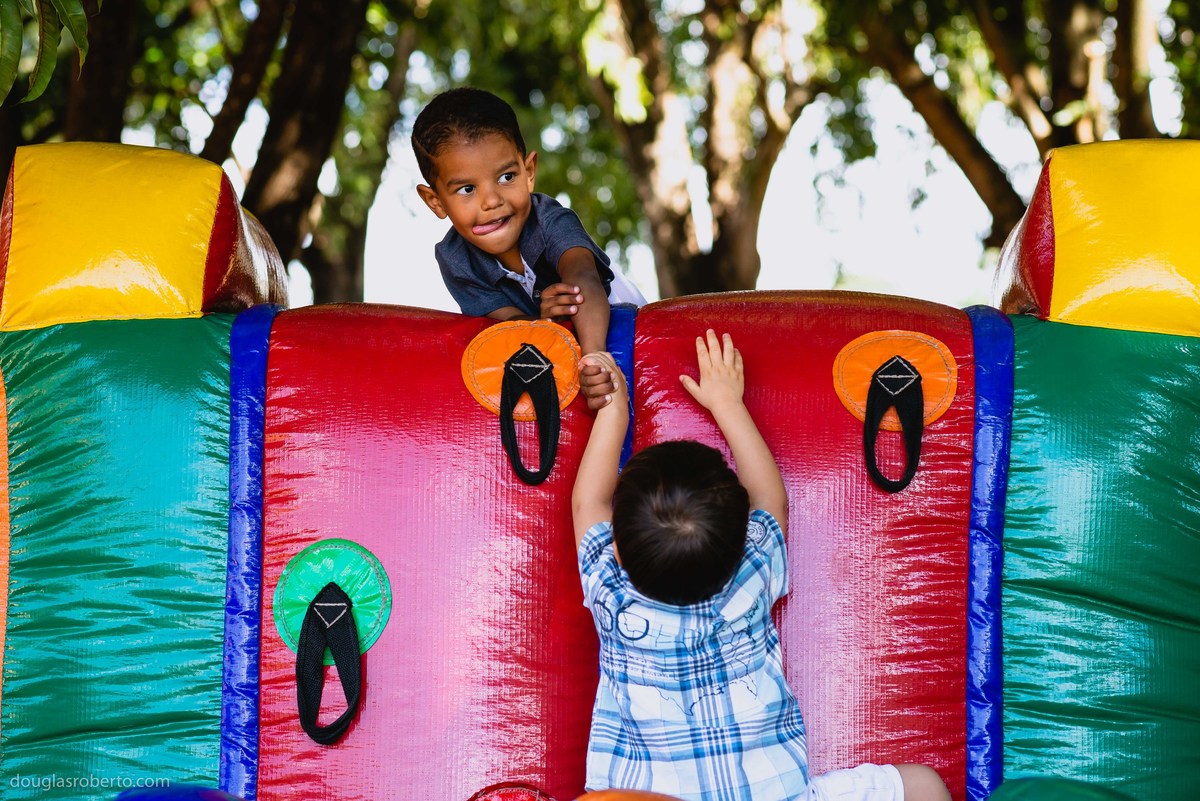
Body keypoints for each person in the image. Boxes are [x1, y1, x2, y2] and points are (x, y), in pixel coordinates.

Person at [571, 330, 952, 801]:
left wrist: (614, 409)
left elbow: (588, 501)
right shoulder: (752, 572)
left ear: (617, 549)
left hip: (643, 797)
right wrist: (727, 403)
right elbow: (771, 498)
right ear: (740, 541)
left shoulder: (609, 588)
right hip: (773, 794)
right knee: (926, 786)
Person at [411, 87, 644, 408]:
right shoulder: (456, 260)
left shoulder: (550, 220)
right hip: (557, 355)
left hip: (622, 328)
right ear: (435, 201)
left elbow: (583, 278)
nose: (492, 201)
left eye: (506, 177)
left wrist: (594, 361)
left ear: (529, 172)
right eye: (467, 189)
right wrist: (541, 323)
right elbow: (509, 323)